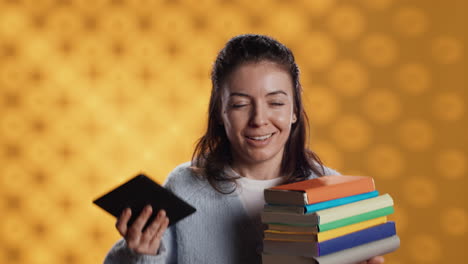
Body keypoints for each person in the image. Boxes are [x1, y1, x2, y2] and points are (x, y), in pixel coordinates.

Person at [104, 34, 385, 264]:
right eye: (240, 104)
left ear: (295, 111)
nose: (259, 119)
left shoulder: (335, 194)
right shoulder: (185, 186)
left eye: (275, 103)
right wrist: (138, 254)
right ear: (219, 113)